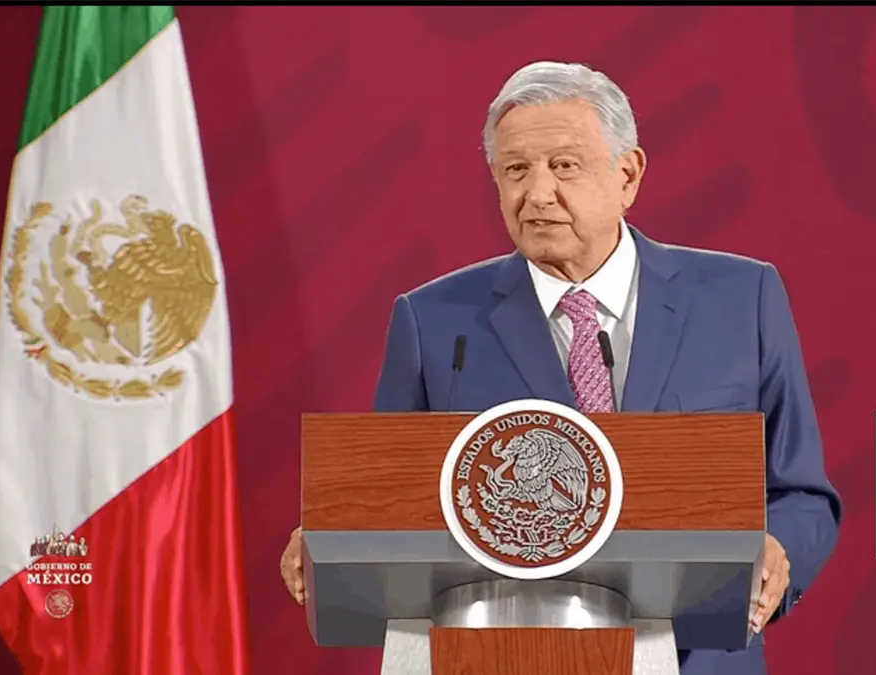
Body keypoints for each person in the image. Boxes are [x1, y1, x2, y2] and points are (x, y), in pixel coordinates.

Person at [279, 61, 842, 674]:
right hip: (497, 658)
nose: (538, 193)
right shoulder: (434, 321)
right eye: (516, 170)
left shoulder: (740, 299)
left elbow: (802, 493)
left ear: (627, 175)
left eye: (564, 166)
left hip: (695, 658)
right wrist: (331, 539)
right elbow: (387, 504)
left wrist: (778, 550)